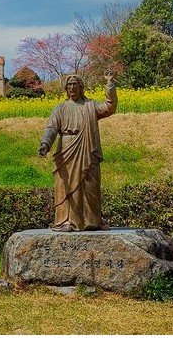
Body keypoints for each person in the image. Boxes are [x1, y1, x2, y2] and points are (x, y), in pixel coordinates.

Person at [38, 73, 117, 231]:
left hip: (88, 149)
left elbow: (109, 107)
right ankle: (66, 221)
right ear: (66, 89)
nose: (72, 87)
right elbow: (51, 128)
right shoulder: (60, 108)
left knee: (91, 186)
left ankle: (92, 221)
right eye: (69, 85)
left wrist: (109, 85)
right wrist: (45, 143)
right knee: (66, 187)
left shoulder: (90, 106)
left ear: (81, 87)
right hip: (67, 150)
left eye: (75, 84)